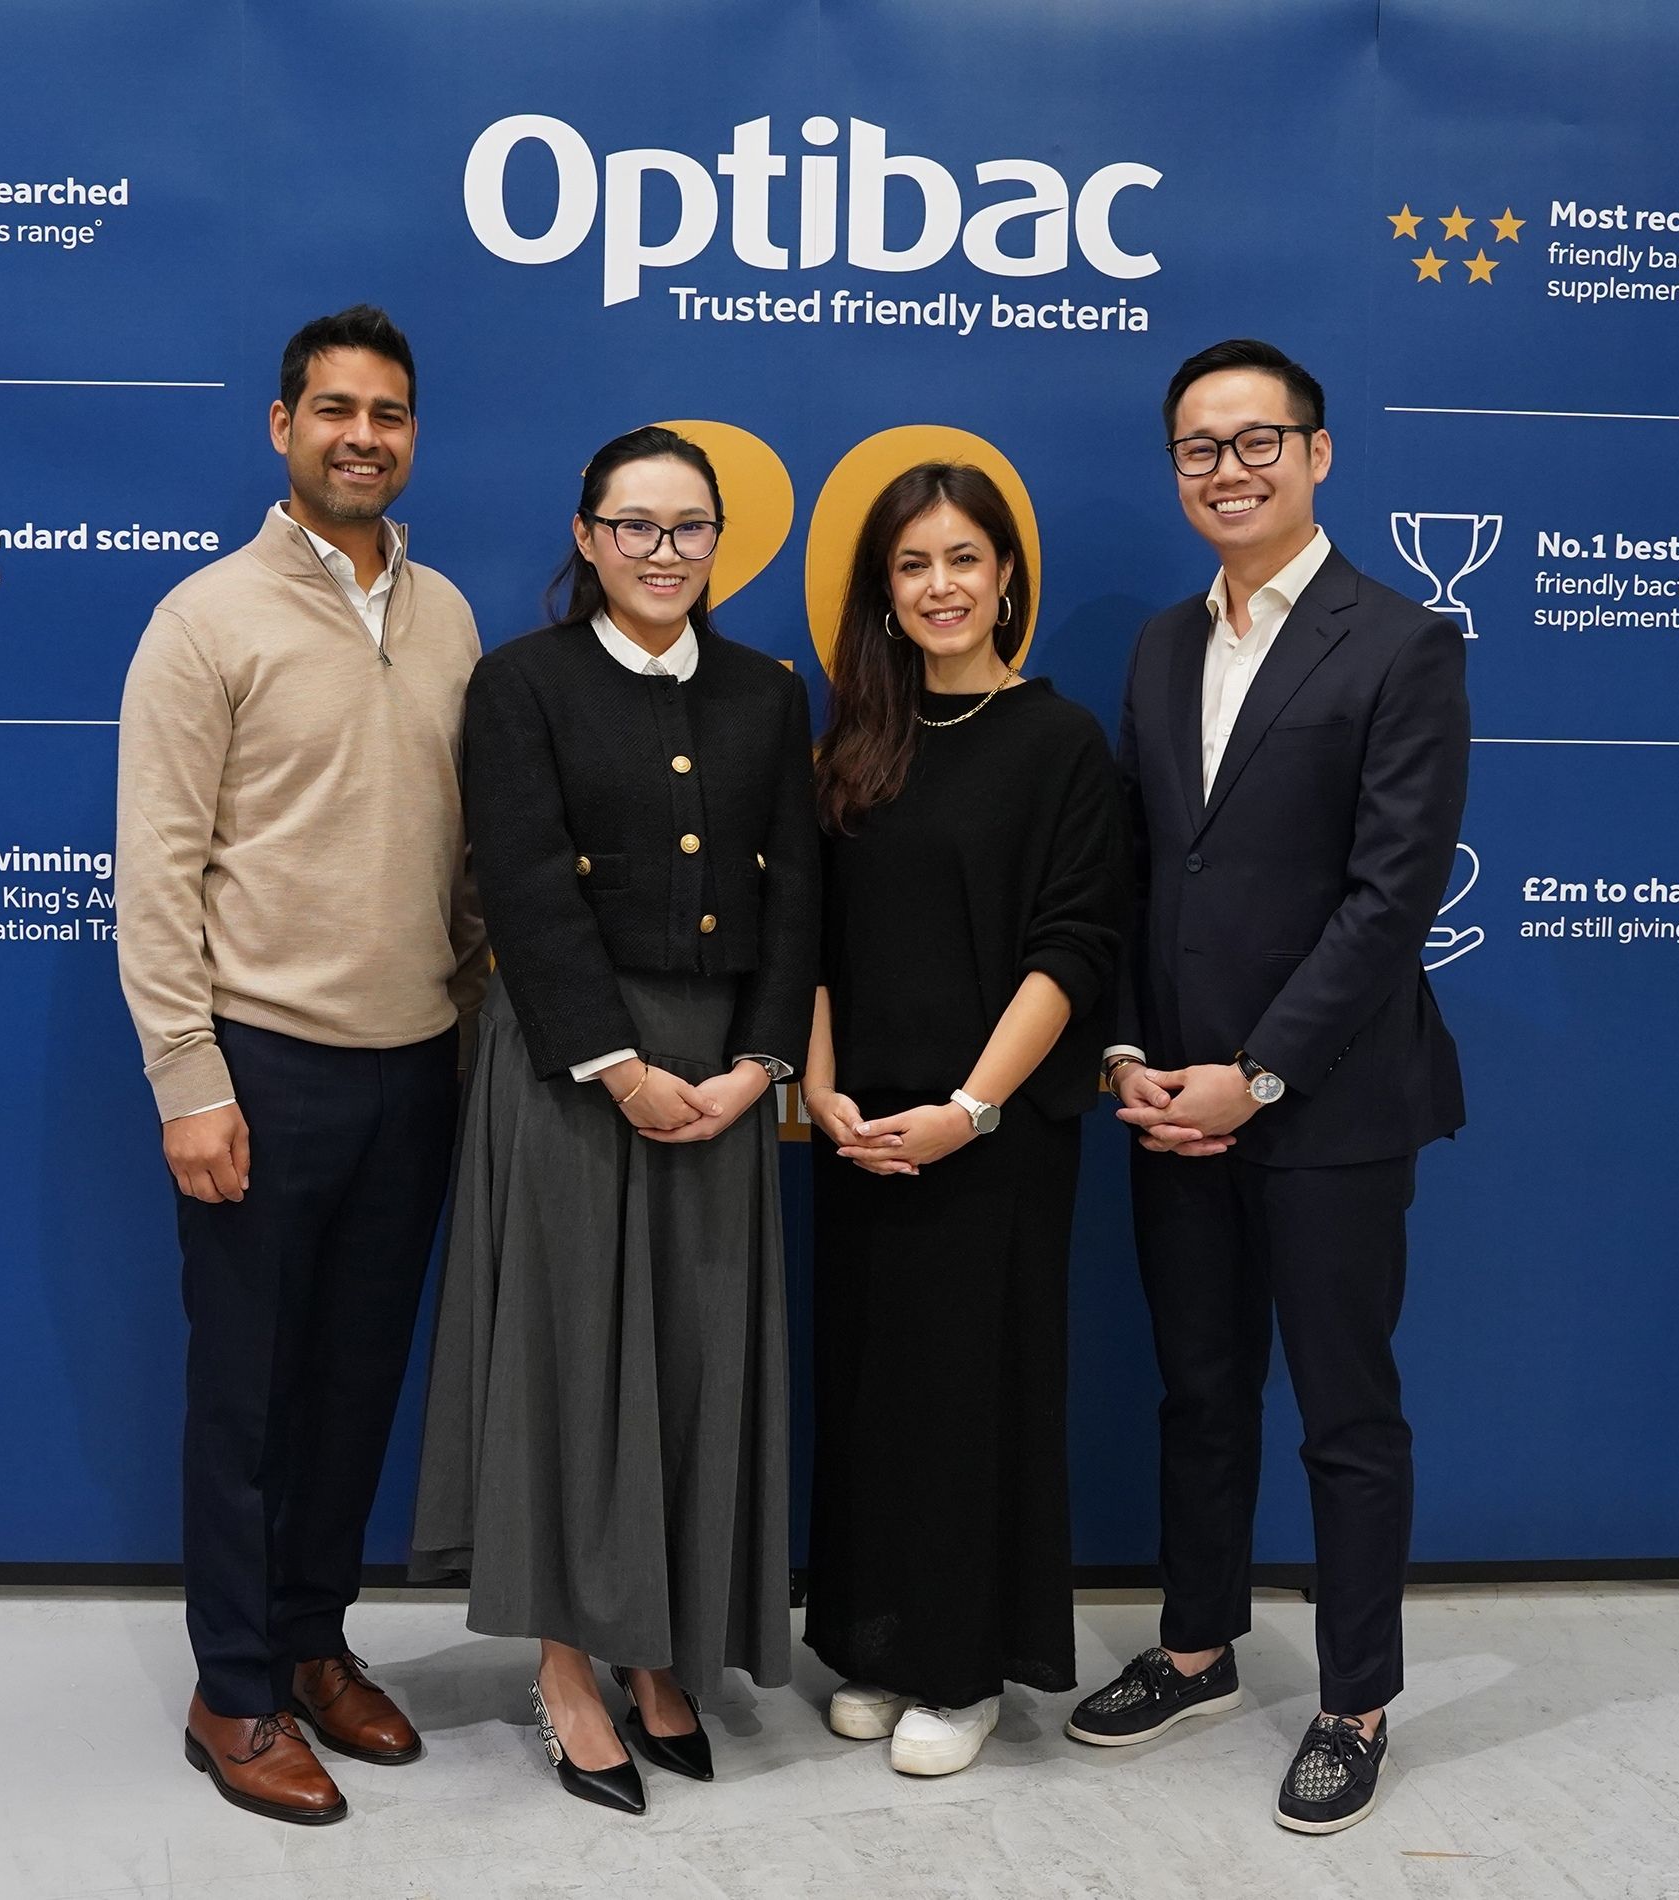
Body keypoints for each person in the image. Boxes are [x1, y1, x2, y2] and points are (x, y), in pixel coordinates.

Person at [1068, 339, 1468, 1834]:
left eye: (1256, 441)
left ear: (1317, 454)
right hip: (1168, 1102)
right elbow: (1130, 871)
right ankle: (1195, 1647)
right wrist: (1126, 1052)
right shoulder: (1166, 644)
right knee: (1200, 1392)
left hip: (1333, 1102)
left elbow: (1389, 901)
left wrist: (1258, 1075)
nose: (1227, 469)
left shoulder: (1402, 642)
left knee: (1347, 1415)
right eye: (1197, 449)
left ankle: (1356, 1698)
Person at [411, 425, 819, 1815]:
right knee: (571, 1368)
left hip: (721, 1073)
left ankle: (662, 1655)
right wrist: (618, 1064)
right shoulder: (520, 684)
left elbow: (799, 899)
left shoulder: (768, 694)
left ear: (720, 543)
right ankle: (568, 1665)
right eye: (633, 526)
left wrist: (761, 1064)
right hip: (575, 1071)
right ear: (586, 538)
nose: (662, 552)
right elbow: (521, 882)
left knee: (695, 1362)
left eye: (688, 527)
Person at [116, 305, 486, 1824]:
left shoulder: (452, 612)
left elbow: (471, 854)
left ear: (412, 435)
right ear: (282, 428)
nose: (362, 436)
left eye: (388, 413)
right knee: (247, 1398)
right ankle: (236, 1689)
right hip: (263, 1069)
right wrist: (188, 1076)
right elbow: (157, 867)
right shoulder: (205, 618)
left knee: (352, 1387)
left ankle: (316, 1640)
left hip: (419, 1064)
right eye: (333, 409)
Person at [801, 462, 1123, 1777]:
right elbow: (807, 938)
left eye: (963, 559)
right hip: (859, 1134)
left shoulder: (1060, 744)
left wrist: (972, 1109)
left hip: (990, 1139)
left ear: (1005, 577)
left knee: (969, 1399)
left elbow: (1074, 948)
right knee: (872, 1394)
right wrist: (817, 1093)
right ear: (885, 591)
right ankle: (878, 1641)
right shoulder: (855, 749)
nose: (940, 586)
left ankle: (965, 1668)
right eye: (913, 565)